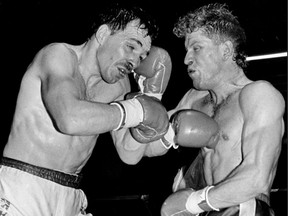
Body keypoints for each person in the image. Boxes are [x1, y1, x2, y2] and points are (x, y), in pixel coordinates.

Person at [0, 3, 172, 216]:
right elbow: (69, 119)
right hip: (24, 186)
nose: (134, 61)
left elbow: (129, 154)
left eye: (142, 57)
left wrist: (150, 102)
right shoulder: (58, 56)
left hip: (71, 195)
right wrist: (136, 111)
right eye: (131, 47)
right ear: (102, 33)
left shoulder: (119, 86)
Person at [159, 3, 285, 216]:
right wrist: (145, 100)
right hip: (207, 209)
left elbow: (256, 177)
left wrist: (192, 203)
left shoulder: (257, 94)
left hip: (241, 208)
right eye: (186, 50)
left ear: (226, 50)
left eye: (196, 48)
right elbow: (137, 151)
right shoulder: (193, 99)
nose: (186, 58)